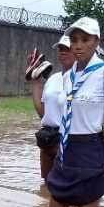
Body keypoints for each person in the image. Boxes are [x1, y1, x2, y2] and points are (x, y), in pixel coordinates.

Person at [36, 17, 104, 207]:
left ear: (97, 42)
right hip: (65, 151)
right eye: (74, 40)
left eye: (85, 40)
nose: (78, 46)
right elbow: (53, 112)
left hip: (91, 153)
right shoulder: (67, 77)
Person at [29, 32, 77, 179]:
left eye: (67, 49)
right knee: (46, 186)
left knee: (65, 186)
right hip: (47, 139)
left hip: (67, 141)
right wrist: (36, 82)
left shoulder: (83, 79)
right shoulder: (53, 79)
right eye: (60, 48)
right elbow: (43, 113)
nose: (63, 52)